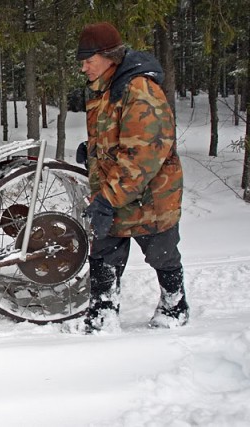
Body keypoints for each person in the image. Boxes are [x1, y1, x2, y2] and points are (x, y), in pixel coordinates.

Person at [75, 22, 188, 333]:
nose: (83, 67)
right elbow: (121, 135)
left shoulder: (139, 89)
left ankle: (174, 305)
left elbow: (144, 153)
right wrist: (94, 150)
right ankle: (103, 314)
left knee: (161, 253)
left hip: (150, 196)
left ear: (109, 56)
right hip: (119, 190)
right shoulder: (108, 87)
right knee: (104, 251)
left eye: (88, 60)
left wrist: (107, 200)